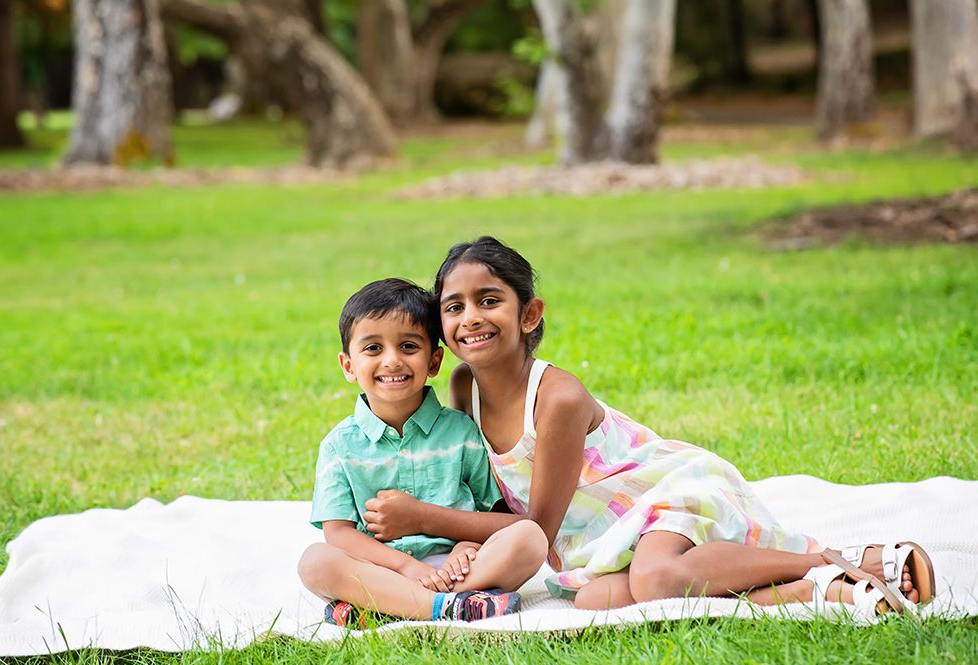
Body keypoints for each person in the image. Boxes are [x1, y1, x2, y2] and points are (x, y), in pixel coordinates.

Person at [358, 238, 936, 618]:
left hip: (662, 492)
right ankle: (828, 591)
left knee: (658, 581)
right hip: (598, 535)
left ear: (529, 314)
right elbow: (482, 494)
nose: (471, 318)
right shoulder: (463, 390)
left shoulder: (556, 397)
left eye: (490, 300)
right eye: (454, 307)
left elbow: (535, 525)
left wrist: (423, 517)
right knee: (598, 599)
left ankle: (838, 556)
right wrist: (457, 540)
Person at [297, 278, 547, 628]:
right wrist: (405, 567)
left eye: (409, 346)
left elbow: (491, 512)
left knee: (529, 538)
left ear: (434, 361)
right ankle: (449, 607)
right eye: (372, 349)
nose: (392, 361)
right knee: (315, 562)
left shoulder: (460, 432)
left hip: (460, 570)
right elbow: (338, 534)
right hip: (381, 570)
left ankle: (388, 608)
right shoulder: (339, 446)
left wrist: (466, 545)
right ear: (348, 365)